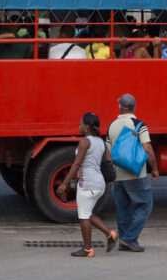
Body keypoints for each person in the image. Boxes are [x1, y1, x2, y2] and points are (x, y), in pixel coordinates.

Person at [56, 113, 118, 257]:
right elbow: (109, 160)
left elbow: (77, 163)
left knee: (83, 216)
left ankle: (88, 249)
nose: (79, 127)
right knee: (88, 213)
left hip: (88, 184)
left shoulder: (85, 142)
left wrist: (64, 184)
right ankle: (110, 234)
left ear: (87, 126)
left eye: (80, 124)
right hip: (99, 183)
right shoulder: (100, 142)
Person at [106, 94, 159, 252]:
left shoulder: (112, 126)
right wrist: (154, 169)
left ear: (120, 107)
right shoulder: (139, 125)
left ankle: (124, 240)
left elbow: (108, 153)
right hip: (135, 175)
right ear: (134, 107)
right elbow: (147, 148)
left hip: (118, 175)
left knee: (123, 209)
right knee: (145, 205)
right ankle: (129, 239)